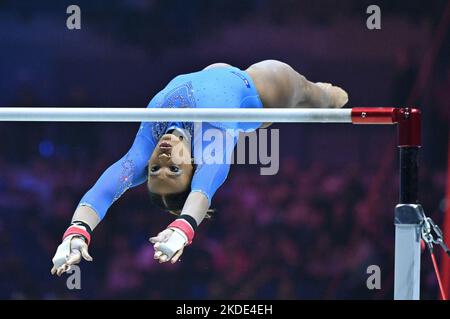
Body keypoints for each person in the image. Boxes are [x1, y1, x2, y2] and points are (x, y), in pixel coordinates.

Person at [51, 60, 348, 276]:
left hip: (217, 78)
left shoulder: (149, 141)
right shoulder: (210, 142)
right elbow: (207, 185)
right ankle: (324, 96)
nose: (163, 161)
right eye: (174, 171)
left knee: (228, 88)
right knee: (318, 97)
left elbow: (104, 190)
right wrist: (184, 227)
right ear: (193, 166)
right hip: (261, 91)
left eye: (155, 170)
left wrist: (77, 230)